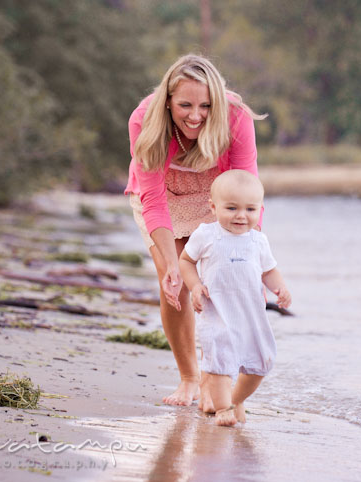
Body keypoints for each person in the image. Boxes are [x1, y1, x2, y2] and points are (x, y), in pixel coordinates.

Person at [124, 54, 266, 406]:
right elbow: (153, 200)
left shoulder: (235, 118)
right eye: (185, 104)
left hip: (215, 191)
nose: (195, 115)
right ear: (168, 101)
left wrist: (254, 263)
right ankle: (188, 378)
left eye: (205, 105)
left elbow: (247, 190)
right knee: (172, 279)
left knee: (219, 273)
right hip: (163, 194)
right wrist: (173, 264)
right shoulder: (144, 119)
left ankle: (214, 378)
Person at [179, 170, 291, 426]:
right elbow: (186, 261)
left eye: (250, 210)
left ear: (260, 209)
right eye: (231, 208)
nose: (241, 216)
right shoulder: (206, 235)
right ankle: (223, 408)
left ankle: (235, 399)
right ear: (213, 206)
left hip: (251, 315)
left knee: (261, 362)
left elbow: (269, 270)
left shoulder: (258, 241)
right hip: (217, 313)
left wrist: (280, 289)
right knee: (219, 365)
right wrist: (195, 286)